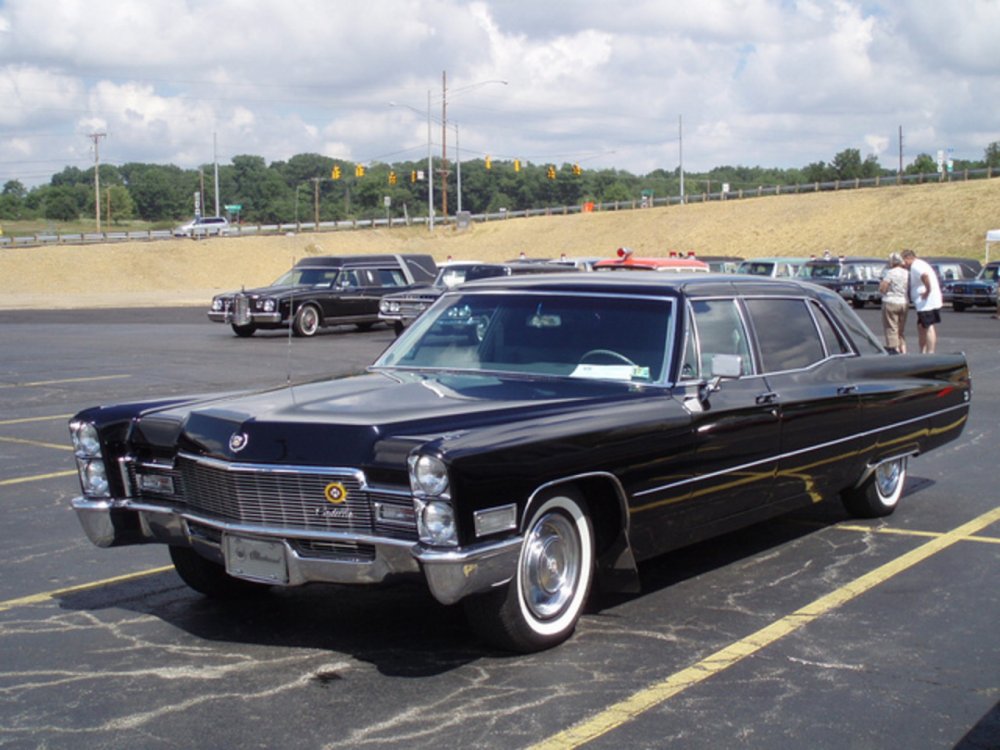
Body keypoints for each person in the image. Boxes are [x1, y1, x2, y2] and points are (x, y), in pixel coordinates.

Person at [901, 248, 942, 353]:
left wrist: (927, 290)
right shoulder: (919, 264)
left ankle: (930, 351)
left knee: (928, 326)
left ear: (908, 258)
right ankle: (922, 350)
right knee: (921, 326)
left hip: (926, 302)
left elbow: (925, 276)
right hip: (924, 302)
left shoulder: (916, 266)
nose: (904, 264)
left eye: (904, 261)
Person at [879, 252, 909, 353]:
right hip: (903, 301)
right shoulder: (906, 273)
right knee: (900, 329)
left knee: (891, 328)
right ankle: (903, 350)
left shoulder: (890, 272)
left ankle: (894, 350)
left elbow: (883, 288)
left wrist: (882, 287)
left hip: (891, 301)